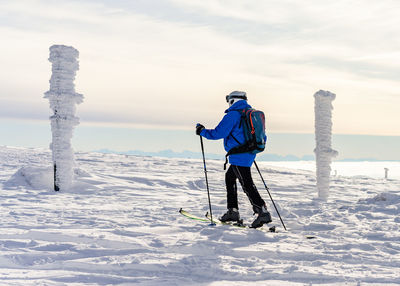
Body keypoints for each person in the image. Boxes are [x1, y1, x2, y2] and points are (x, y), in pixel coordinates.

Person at [196, 91, 272, 228]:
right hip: (248, 152)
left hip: (238, 154)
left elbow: (218, 133)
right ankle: (233, 211)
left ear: (233, 100)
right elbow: (263, 136)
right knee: (230, 178)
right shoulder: (251, 113)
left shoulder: (234, 114)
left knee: (247, 183)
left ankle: (262, 212)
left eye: (229, 100)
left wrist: (202, 131)